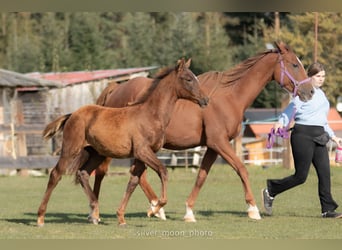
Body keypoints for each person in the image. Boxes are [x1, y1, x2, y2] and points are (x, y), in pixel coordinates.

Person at [262, 62, 342, 218]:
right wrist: (281, 122)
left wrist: (334, 137)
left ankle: (327, 209)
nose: (321, 79)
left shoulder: (322, 95)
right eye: (318, 76)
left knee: (325, 173)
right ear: (309, 77)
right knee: (301, 176)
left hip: (320, 136)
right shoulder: (302, 93)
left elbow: (323, 121)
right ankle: (271, 189)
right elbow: (290, 110)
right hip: (303, 135)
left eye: (323, 76)